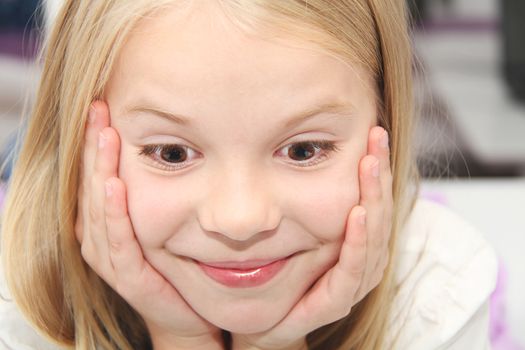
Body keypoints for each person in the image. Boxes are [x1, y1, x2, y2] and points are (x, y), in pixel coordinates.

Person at [0, 0, 498, 349]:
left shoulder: (437, 289)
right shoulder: (16, 305)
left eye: (304, 150)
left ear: (385, 121)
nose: (240, 220)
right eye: (172, 154)